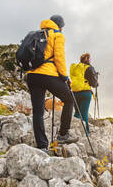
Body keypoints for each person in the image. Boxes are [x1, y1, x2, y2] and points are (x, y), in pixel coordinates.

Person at [26, 14, 78, 151]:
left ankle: (42, 145)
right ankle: (63, 134)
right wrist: (65, 77)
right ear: (60, 26)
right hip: (47, 75)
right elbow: (59, 58)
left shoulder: (37, 33)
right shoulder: (57, 35)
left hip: (32, 76)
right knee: (69, 99)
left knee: (38, 112)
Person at [70, 53, 99, 135]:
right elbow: (94, 84)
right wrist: (97, 81)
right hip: (85, 93)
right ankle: (86, 133)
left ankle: (75, 132)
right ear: (88, 59)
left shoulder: (75, 68)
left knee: (77, 113)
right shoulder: (89, 68)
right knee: (84, 113)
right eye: (90, 59)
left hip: (74, 93)